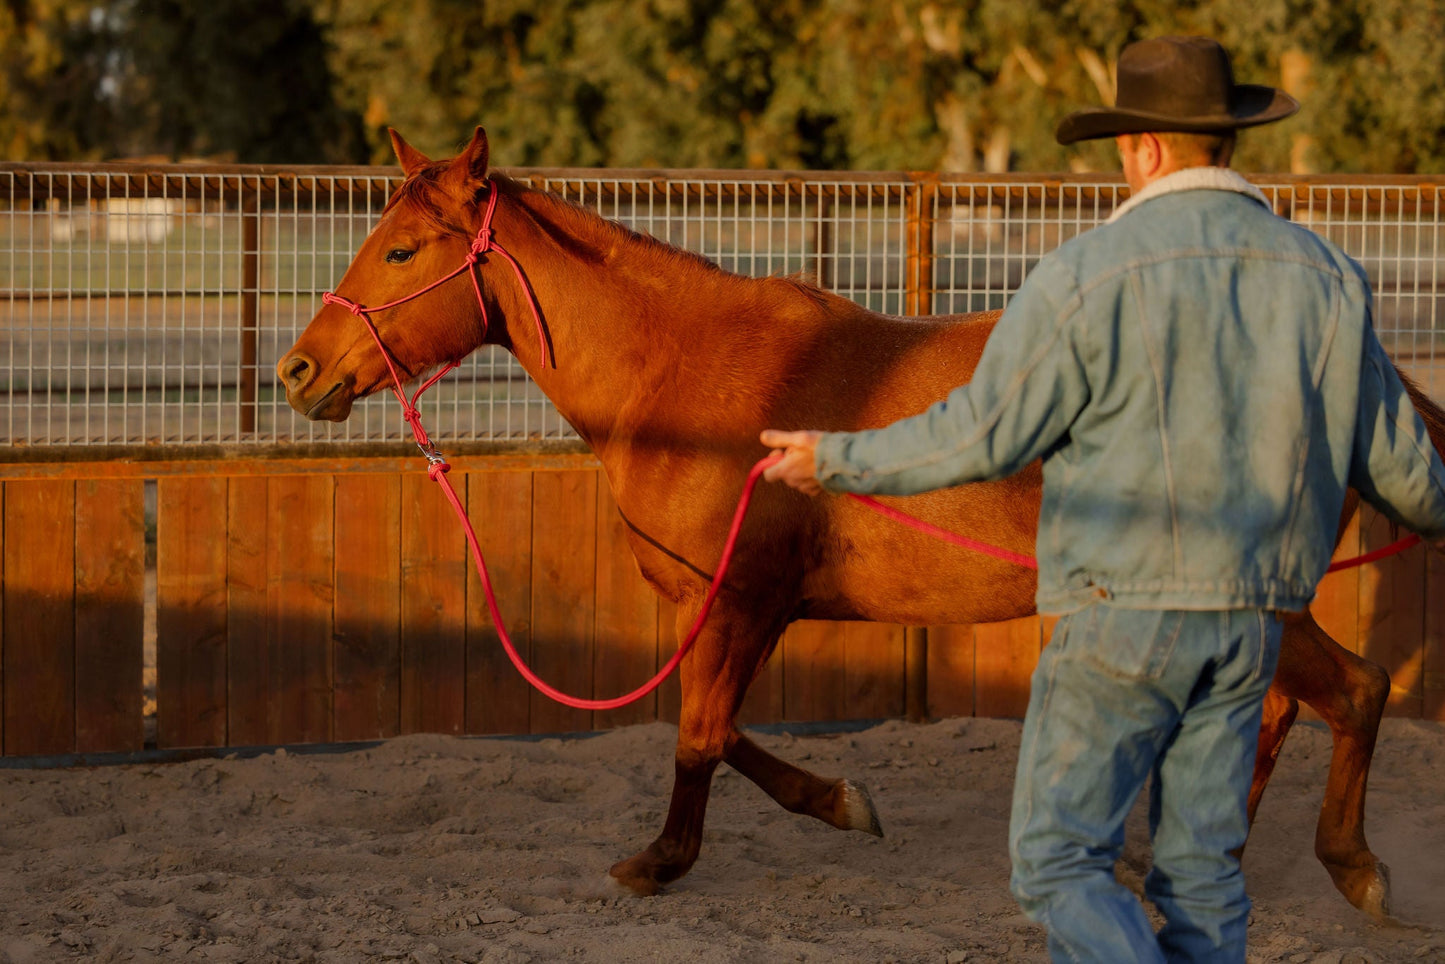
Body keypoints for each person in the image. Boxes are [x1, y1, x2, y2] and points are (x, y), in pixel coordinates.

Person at [759, 35, 1445, 963]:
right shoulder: (1327, 277)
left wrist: (833, 458)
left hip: (1123, 613)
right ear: (1225, 141)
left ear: (1145, 149)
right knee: (1201, 877)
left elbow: (983, 434)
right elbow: (1404, 477)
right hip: (1250, 621)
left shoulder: (1087, 272)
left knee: (1058, 863)